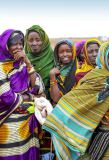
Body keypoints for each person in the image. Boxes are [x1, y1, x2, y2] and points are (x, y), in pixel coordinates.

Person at [43, 42, 109, 160]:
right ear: (103, 57)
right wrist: (57, 117)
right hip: (100, 134)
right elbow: (73, 100)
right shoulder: (94, 77)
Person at [0, 29, 44, 159]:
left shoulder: (22, 64)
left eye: (21, 43)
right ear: (5, 45)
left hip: (27, 122)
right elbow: (7, 98)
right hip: (8, 123)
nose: (19, 47)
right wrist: (30, 97)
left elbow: (37, 88)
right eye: (14, 44)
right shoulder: (1, 67)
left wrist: (28, 63)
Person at [25, 25, 54, 99]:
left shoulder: (54, 57)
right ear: (27, 41)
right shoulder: (23, 59)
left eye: (38, 40)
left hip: (51, 99)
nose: (34, 43)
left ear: (44, 41)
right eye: (31, 40)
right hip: (29, 99)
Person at [49, 39, 79, 104]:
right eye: (61, 52)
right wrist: (52, 75)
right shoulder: (55, 70)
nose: (65, 54)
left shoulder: (80, 69)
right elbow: (55, 99)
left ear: (73, 52)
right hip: (58, 107)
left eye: (68, 51)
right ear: (57, 54)